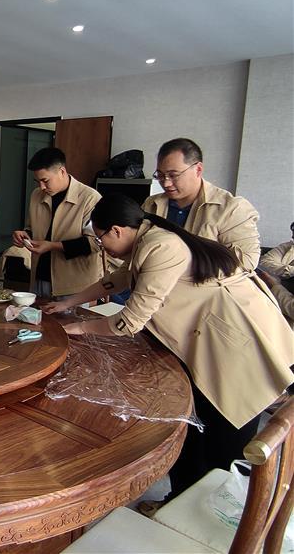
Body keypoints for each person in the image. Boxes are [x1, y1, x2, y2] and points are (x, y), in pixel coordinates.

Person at [43, 194, 293, 502]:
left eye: (100, 238)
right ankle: (180, 499)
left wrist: (77, 328)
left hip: (234, 347)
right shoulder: (146, 239)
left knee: (224, 438)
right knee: (190, 427)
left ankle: (214, 515)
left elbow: (129, 322)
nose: (101, 246)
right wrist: (67, 303)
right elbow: (118, 279)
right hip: (205, 342)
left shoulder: (161, 246)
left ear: (116, 231)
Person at [143, 137, 261, 271]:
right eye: (160, 175)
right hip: (154, 279)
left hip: (205, 282)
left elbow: (246, 262)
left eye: (173, 175)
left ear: (198, 169)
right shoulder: (151, 204)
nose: (166, 183)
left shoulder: (231, 208)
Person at [12, 147, 102, 299]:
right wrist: (24, 235)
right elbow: (33, 228)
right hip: (39, 277)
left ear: (62, 171)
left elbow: (95, 243)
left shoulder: (90, 198)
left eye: (45, 181)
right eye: (38, 181)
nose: (41, 187)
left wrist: (52, 246)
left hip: (74, 285)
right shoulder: (36, 195)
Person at [258, 220, 294, 327]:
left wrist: (274, 286)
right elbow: (264, 262)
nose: (292, 238)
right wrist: (290, 271)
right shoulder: (288, 247)